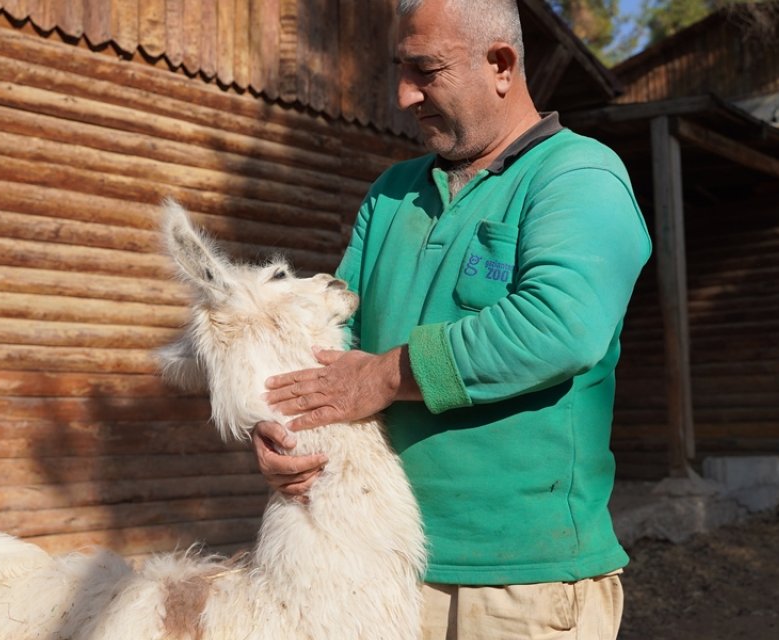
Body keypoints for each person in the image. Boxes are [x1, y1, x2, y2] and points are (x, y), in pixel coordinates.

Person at [250, 0, 652, 637]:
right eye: (399, 71)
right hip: (375, 564)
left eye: (426, 71)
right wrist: (288, 437)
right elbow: (331, 339)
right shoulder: (392, 192)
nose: (405, 95)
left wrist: (383, 377)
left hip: (521, 580)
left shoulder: (578, 176)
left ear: (501, 64)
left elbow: (558, 326)